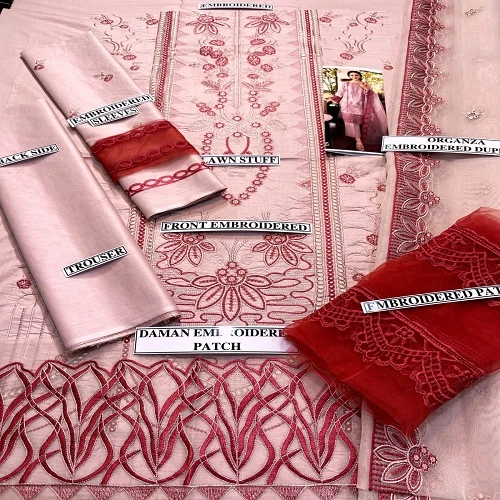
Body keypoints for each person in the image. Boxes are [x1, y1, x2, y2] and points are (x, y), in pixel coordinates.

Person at [330, 70, 388, 152]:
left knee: (359, 123)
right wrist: (332, 99)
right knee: (352, 123)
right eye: (352, 75)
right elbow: (339, 94)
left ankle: (361, 139)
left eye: (356, 75)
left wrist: (365, 88)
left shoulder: (364, 84)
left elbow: (371, 94)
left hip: (360, 107)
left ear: (360, 76)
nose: (354, 77)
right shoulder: (345, 84)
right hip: (347, 107)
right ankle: (358, 141)